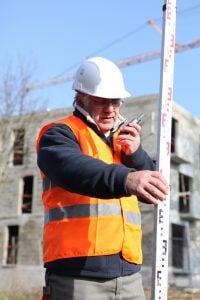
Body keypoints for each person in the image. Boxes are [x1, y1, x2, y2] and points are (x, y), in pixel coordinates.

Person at [36, 56, 168, 300]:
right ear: (80, 97)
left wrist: (136, 154)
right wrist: (128, 178)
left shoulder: (121, 142)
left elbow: (155, 188)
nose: (110, 109)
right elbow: (75, 169)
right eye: (101, 101)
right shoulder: (59, 134)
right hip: (77, 274)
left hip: (129, 276)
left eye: (115, 101)